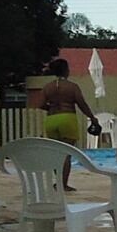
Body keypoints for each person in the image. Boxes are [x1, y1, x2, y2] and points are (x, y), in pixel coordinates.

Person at [39, 57, 103, 190]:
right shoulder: (72, 87)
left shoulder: (47, 87)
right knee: (66, 153)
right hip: (67, 118)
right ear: (66, 70)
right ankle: (63, 185)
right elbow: (81, 104)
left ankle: (58, 182)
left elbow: (40, 104)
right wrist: (92, 117)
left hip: (51, 119)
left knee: (56, 152)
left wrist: (51, 108)